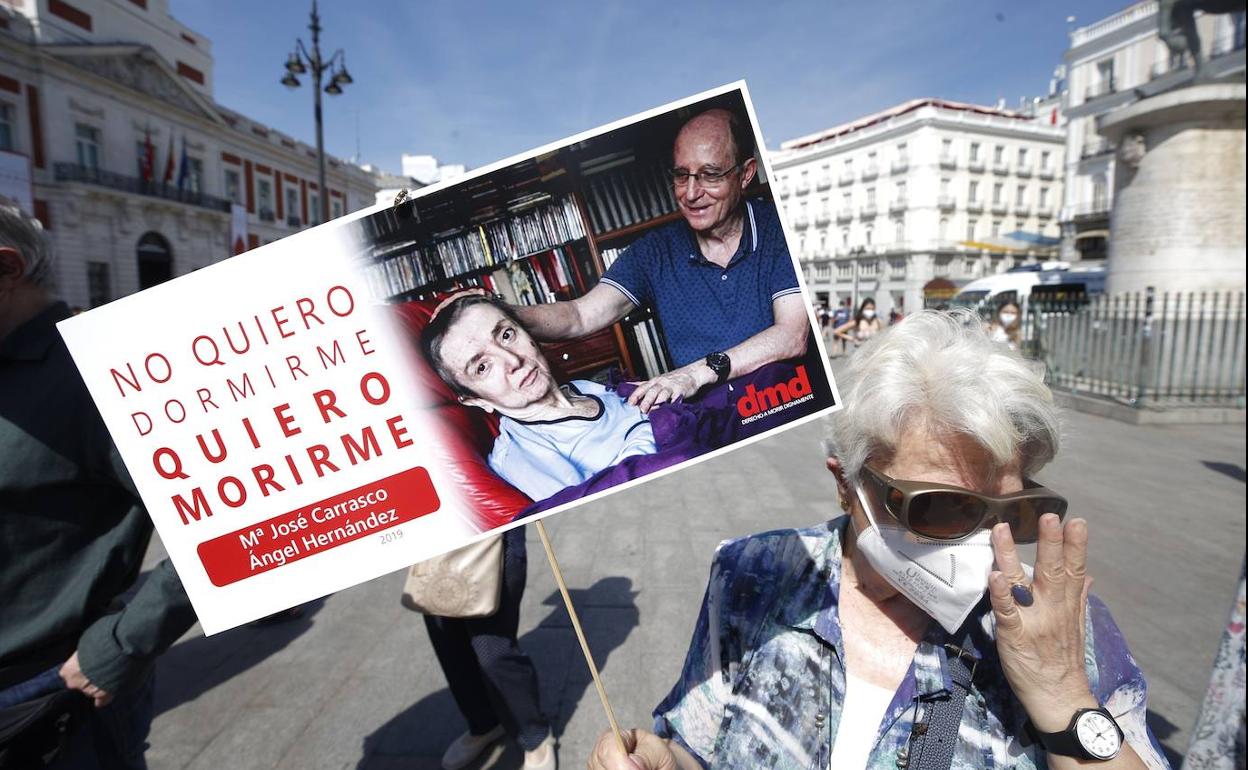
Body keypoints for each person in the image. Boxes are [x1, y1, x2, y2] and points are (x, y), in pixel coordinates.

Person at [588, 310, 1170, 770]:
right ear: (848, 485)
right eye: (942, 507)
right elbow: (700, 742)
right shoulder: (757, 573)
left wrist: (1064, 698)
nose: (984, 540)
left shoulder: (1063, 630)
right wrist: (670, 763)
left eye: (1013, 512)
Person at [0, 197, 198, 768]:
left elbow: (235, 519)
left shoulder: (92, 377)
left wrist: (123, 643)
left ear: (7, 269)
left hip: (48, 690)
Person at [515, 108, 810, 414]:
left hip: (786, 402)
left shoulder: (779, 229)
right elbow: (579, 315)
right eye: (682, 175)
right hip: (710, 421)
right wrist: (504, 313)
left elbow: (792, 336)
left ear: (746, 173)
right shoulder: (653, 252)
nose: (691, 193)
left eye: (710, 175)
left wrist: (693, 374)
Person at [422, 292, 658, 502]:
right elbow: (601, 512)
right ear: (476, 400)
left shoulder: (583, 387)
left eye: (506, 335)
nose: (513, 361)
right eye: (482, 367)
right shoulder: (518, 457)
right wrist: (650, 426)